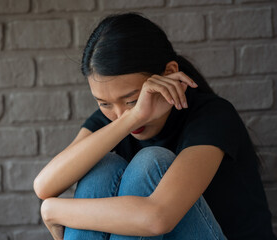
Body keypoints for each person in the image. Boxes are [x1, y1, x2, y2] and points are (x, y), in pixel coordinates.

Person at [33, 12, 276, 240]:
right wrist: (133, 116)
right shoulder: (117, 120)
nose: (118, 114)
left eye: (131, 100)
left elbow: (158, 218)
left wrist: (56, 209)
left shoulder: (213, 116)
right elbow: (45, 185)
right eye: (104, 104)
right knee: (101, 166)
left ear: (169, 72)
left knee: (151, 162)